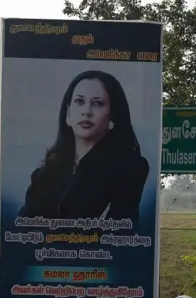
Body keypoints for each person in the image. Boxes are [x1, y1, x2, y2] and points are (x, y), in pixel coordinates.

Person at [18, 70, 149, 222]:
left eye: (97, 103)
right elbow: (22, 228)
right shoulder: (43, 175)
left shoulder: (130, 168)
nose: (87, 112)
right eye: (79, 102)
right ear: (68, 112)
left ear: (112, 115)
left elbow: (122, 232)